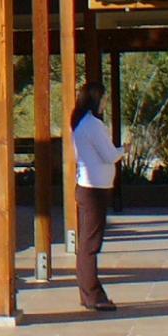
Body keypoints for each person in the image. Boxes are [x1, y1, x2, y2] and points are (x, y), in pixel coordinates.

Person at [69, 82, 121, 313]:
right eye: (104, 99)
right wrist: (123, 150)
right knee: (91, 244)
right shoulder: (93, 124)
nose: (106, 103)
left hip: (89, 188)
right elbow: (109, 155)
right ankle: (93, 295)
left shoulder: (81, 123)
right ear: (96, 100)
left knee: (87, 243)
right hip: (94, 191)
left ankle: (87, 293)